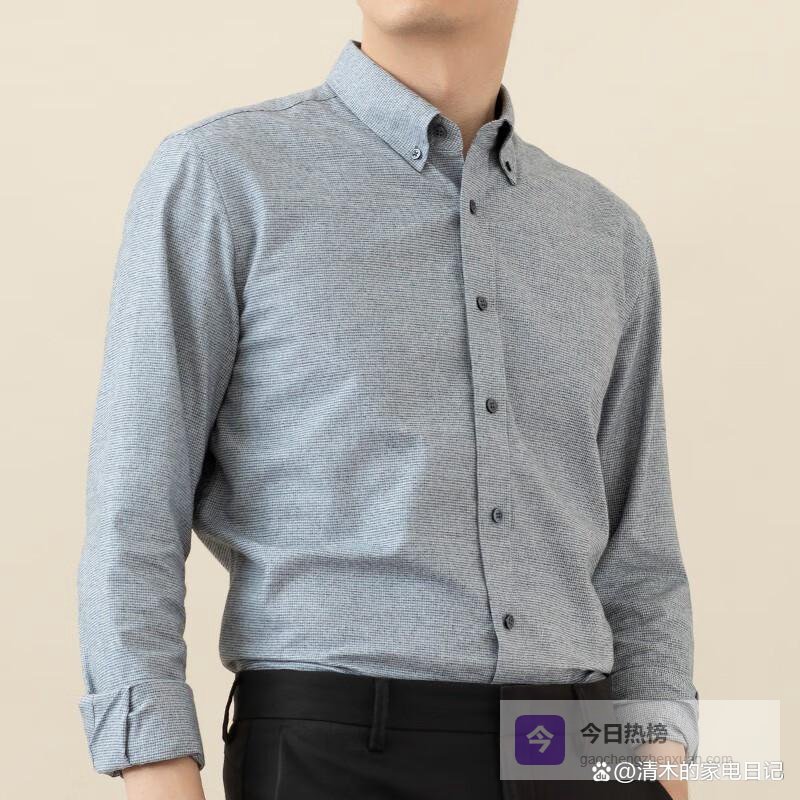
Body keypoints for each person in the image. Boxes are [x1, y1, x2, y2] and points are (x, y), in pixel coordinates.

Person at [77, 2, 698, 798]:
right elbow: (133, 512)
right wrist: (156, 765)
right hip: (333, 755)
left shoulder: (606, 236)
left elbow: (640, 558)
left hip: (578, 750)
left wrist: (664, 766)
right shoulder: (225, 178)